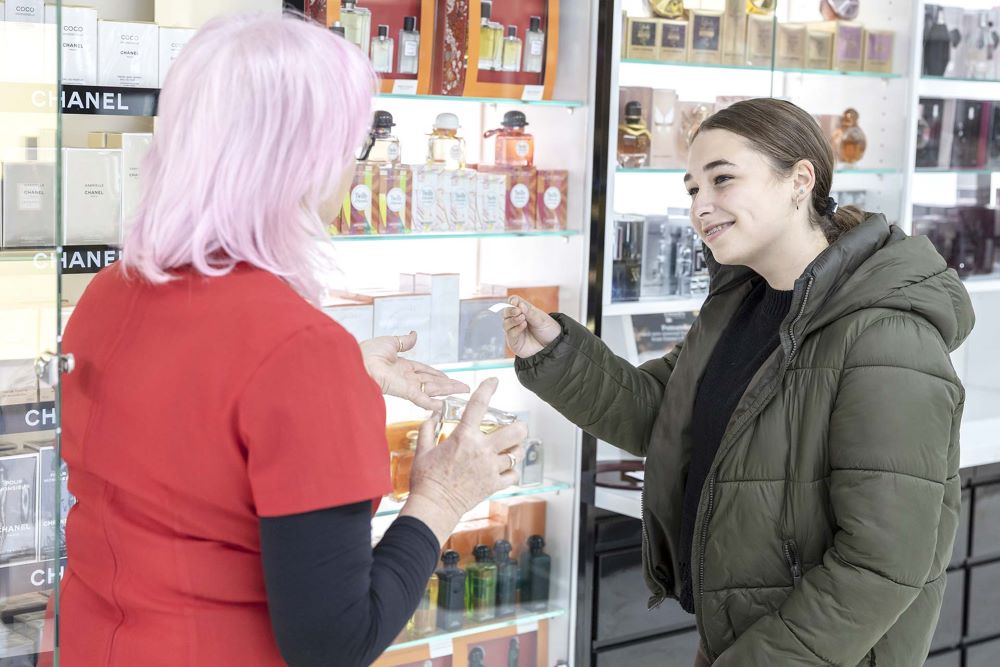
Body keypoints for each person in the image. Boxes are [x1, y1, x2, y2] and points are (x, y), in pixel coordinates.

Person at [48, 13, 525, 666]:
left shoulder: (111, 292)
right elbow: (333, 641)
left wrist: (324, 379)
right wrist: (441, 497)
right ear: (302, 163)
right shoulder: (300, 353)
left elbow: (184, 422)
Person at [504, 98, 975, 666]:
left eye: (722, 180)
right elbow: (667, 416)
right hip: (738, 638)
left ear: (800, 180)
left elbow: (883, 564)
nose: (701, 206)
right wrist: (556, 354)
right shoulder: (741, 303)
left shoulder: (887, 336)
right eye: (692, 189)